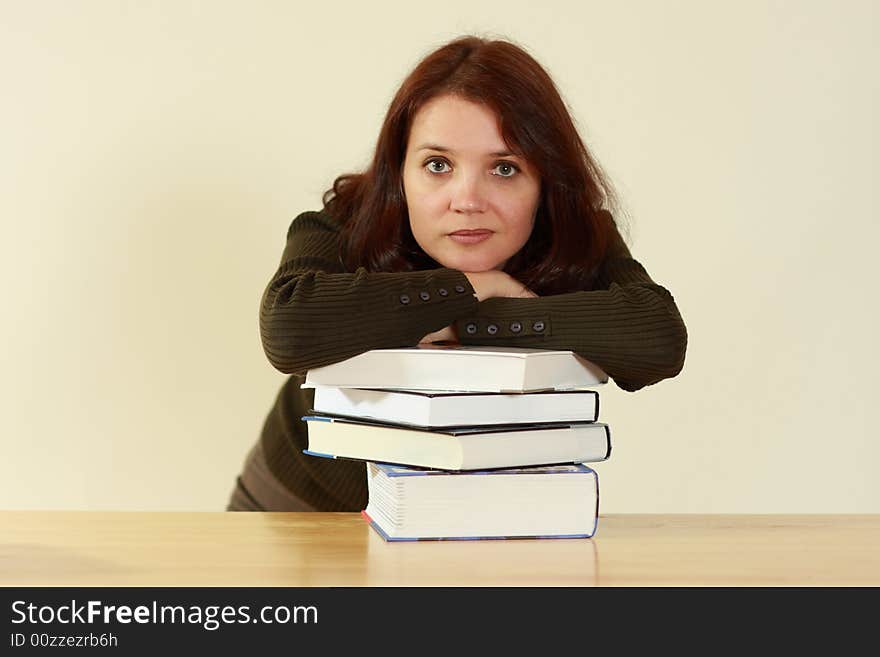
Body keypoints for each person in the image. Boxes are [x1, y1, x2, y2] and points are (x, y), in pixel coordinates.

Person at [227, 35, 688, 512]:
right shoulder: (346, 221)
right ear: (398, 171)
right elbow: (288, 327)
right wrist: (470, 287)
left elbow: (658, 339)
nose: (467, 200)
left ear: (545, 181)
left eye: (505, 169)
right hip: (301, 510)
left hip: (477, 520)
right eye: (438, 165)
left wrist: (475, 319)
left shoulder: (575, 234)